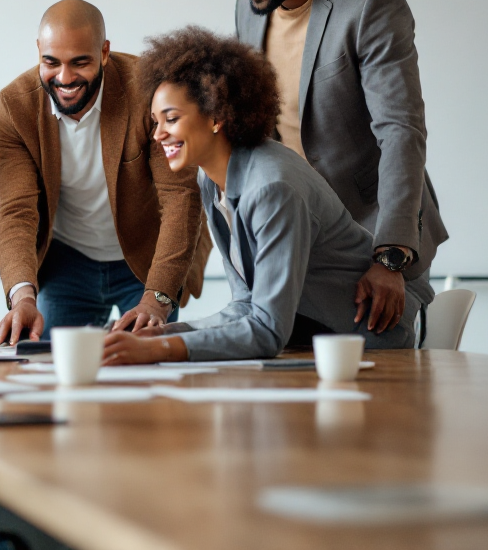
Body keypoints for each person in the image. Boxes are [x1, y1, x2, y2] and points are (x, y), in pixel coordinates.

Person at [103, 26, 430, 365]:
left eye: (170, 119)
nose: (158, 134)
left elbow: (267, 330)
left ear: (215, 116)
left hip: (373, 348)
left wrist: (160, 349)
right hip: (311, 346)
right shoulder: (210, 179)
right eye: (155, 121)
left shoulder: (273, 187)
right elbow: (245, 306)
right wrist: (162, 334)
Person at [226, 0, 447, 335]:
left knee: (375, 365)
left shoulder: (370, 5)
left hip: (367, 229)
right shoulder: (251, 5)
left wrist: (390, 257)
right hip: (295, 226)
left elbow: (401, 131)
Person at [0, 0, 206, 346]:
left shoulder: (149, 91)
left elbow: (180, 197)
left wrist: (157, 298)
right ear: (39, 51)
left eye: (80, 62)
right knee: (52, 366)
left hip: (147, 258)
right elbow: (15, 210)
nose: (64, 78)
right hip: (67, 261)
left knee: (147, 365)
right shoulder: (16, 106)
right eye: (51, 62)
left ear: (104, 53)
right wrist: (23, 297)